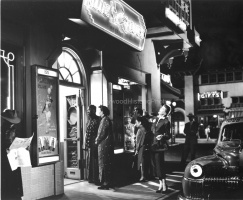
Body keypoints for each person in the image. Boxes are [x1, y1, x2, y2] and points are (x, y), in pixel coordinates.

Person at [1, 109, 23, 200]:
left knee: (14, 181)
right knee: (10, 182)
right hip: (7, 160)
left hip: (13, 158)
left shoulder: (12, 128)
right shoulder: (4, 130)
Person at [151, 105, 171, 193]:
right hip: (152, 145)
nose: (160, 109)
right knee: (155, 165)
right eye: (161, 107)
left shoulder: (166, 121)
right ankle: (161, 184)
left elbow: (168, 135)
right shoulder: (155, 119)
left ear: (166, 112)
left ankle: (164, 185)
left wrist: (162, 136)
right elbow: (152, 130)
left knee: (159, 165)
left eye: (163, 109)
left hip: (159, 146)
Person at [95, 105, 114, 190]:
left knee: (103, 163)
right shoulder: (108, 119)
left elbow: (101, 133)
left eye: (99, 111)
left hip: (103, 145)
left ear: (103, 112)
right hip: (108, 144)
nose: (98, 112)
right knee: (107, 163)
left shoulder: (104, 120)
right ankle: (107, 182)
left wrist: (97, 140)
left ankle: (105, 183)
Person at [85, 105, 100, 184]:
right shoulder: (89, 120)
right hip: (89, 145)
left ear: (94, 110)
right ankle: (90, 178)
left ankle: (96, 179)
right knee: (89, 162)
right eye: (87, 110)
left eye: (89, 110)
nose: (88, 111)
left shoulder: (98, 120)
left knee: (95, 162)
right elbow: (87, 133)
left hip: (95, 145)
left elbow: (99, 133)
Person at [134, 116, 147, 181]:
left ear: (140, 122)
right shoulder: (144, 129)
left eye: (136, 122)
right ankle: (143, 176)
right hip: (143, 147)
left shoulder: (140, 130)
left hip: (141, 148)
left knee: (141, 162)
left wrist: (136, 150)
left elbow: (138, 141)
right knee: (142, 162)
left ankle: (142, 176)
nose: (135, 124)